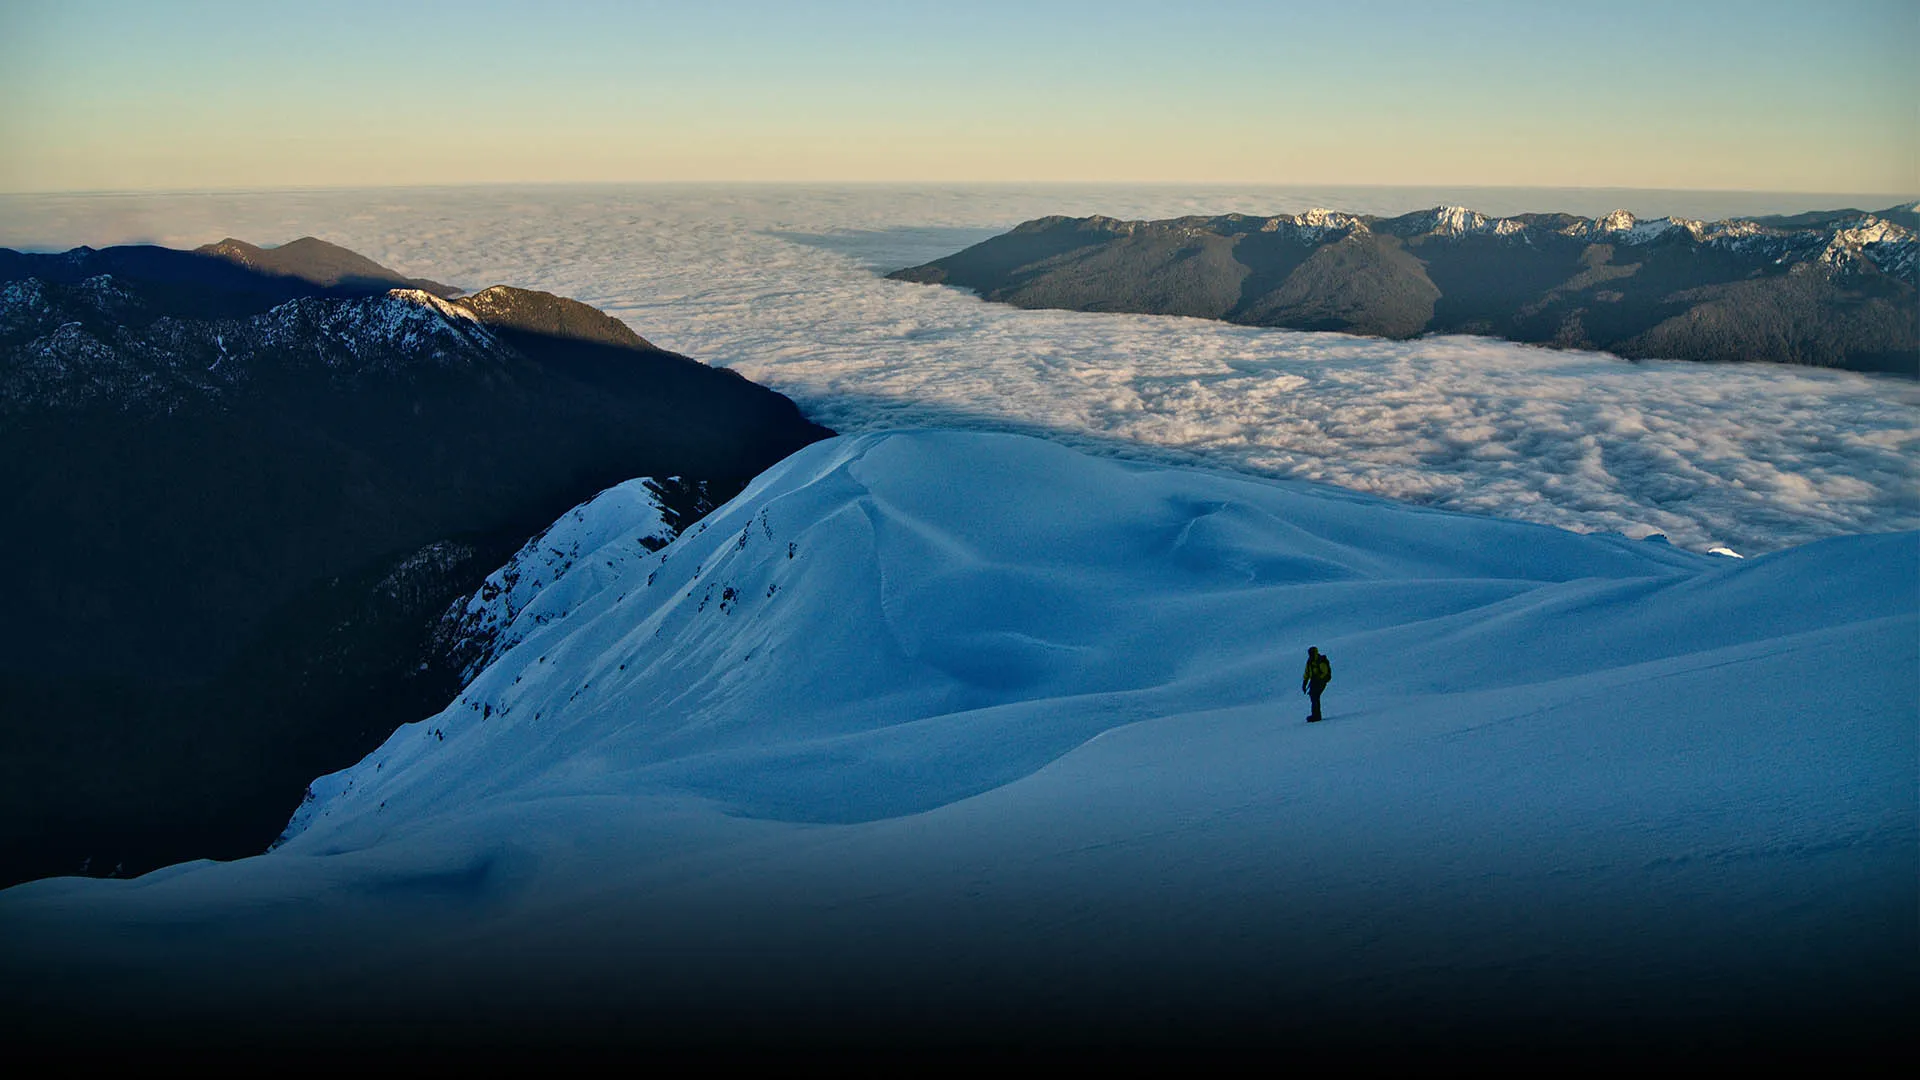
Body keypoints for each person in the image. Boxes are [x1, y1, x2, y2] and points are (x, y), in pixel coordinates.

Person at [1301, 646, 1331, 722]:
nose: (1310, 655)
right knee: (1314, 697)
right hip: (1315, 682)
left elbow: (1324, 672)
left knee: (1315, 696)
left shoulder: (1320, 661)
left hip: (1321, 681)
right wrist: (1304, 683)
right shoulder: (1309, 662)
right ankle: (1316, 715)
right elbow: (1307, 673)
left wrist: (1318, 678)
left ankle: (1316, 715)